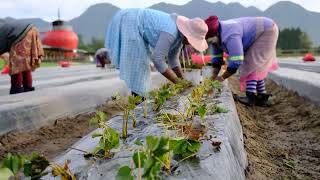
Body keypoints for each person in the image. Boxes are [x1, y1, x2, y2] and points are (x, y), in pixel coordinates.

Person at [105, 8, 208, 97]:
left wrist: (183, 80)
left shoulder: (179, 37)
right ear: (188, 34)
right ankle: (138, 104)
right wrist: (177, 82)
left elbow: (173, 59)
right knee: (139, 68)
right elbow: (158, 60)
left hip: (134, 22)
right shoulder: (171, 32)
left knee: (141, 69)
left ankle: (139, 102)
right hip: (131, 22)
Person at [205, 16, 279, 107]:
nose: (208, 44)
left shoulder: (230, 35)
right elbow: (217, 61)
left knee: (252, 63)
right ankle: (262, 96)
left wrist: (222, 78)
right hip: (265, 28)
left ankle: (250, 97)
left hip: (266, 30)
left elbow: (237, 60)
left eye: (208, 41)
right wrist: (212, 78)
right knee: (256, 65)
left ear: (214, 35)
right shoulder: (216, 38)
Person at [0, 21, 44, 94]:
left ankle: (16, 88)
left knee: (16, 63)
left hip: (21, 34)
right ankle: (27, 86)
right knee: (25, 62)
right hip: (32, 29)